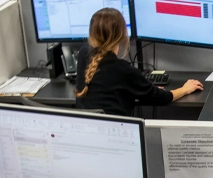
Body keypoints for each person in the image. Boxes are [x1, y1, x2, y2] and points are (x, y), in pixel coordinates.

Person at [75, 7, 203, 116]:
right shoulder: (123, 69)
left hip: (85, 134)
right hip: (114, 135)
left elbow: (109, 88)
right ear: (121, 35)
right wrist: (185, 89)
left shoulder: (83, 53)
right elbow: (161, 98)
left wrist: (140, 87)